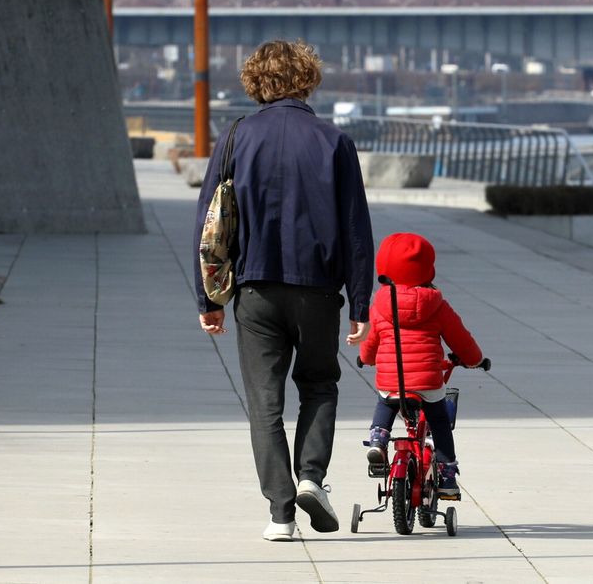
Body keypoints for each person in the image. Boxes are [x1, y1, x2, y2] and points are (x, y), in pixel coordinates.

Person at [192, 40, 374, 542]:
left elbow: (209, 219)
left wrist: (208, 298)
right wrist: (361, 302)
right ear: (307, 78)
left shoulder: (236, 138)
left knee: (264, 401)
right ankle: (312, 476)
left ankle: (281, 513)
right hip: (317, 288)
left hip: (255, 288)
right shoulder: (334, 140)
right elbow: (357, 229)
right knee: (319, 383)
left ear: (256, 82)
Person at [357, 233, 484, 500]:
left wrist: (366, 358)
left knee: (385, 403)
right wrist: (475, 360)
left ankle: (379, 441)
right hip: (428, 382)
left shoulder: (380, 304)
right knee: (439, 422)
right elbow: (461, 339)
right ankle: (448, 477)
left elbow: (370, 342)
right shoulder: (436, 304)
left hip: (393, 381)